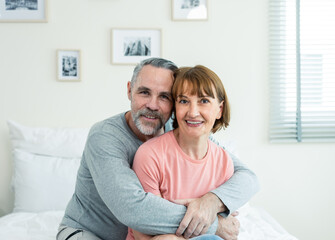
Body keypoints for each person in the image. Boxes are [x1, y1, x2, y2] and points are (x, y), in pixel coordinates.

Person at [57, 58, 259, 240]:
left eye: (164, 96)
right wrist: (213, 225)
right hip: (88, 233)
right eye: (144, 92)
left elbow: (247, 177)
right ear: (129, 90)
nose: (152, 105)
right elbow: (133, 209)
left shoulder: (180, 129)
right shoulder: (104, 136)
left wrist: (212, 202)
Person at [128, 65, 239, 240]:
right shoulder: (149, 155)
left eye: (203, 101)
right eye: (184, 101)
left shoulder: (225, 163)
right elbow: (142, 230)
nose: (193, 112)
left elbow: (228, 229)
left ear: (220, 109)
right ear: (174, 108)